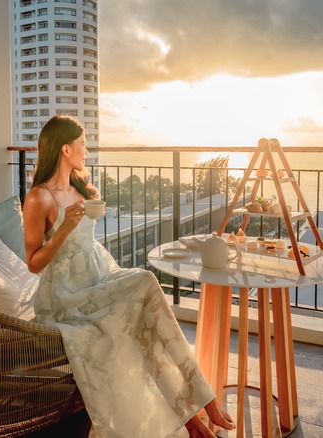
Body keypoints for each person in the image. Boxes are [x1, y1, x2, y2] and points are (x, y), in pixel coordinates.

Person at [22, 115, 236, 438]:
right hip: (68, 297)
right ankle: (201, 403)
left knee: (147, 316)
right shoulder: (39, 197)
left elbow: (86, 242)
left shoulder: (77, 186)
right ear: (65, 149)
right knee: (147, 284)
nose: (86, 151)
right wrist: (64, 228)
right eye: (81, 145)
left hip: (98, 276)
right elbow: (33, 263)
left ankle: (195, 412)